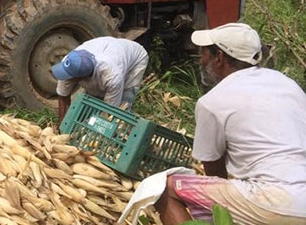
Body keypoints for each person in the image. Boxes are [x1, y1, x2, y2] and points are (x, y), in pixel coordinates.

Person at [154, 23, 306, 225]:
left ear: (219, 57)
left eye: (204, 54)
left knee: (163, 188)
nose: (201, 61)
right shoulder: (287, 84)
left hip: (273, 201)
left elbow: (214, 171)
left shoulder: (212, 101)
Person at [51, 36, 148, 121]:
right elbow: (63, 95)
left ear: (82, 78)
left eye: (71, 78)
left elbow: (109, 110)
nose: (67, 79)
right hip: (106, 47)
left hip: (135, 58)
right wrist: (62, 126)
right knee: (90, 103)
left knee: (122, 107)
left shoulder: (112, 76)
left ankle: (119, 135)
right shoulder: (70, 62)